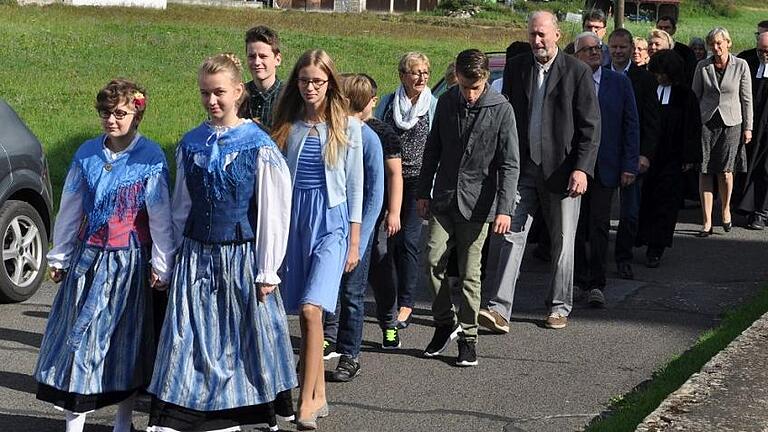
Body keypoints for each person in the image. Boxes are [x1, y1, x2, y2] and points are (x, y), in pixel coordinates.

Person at [147, 53, 296, 432]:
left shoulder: (257, 145)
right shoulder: (191, 143)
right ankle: (183, 415)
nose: (212, 101)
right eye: (205, 94)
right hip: (196, 257)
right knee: (188, 337)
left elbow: (273, 211)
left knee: (238, 340)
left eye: (219, 93)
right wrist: (166, 260)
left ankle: (233, 416)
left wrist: (267, 269)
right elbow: (180, 207)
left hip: (239, 259)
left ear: (237, 92)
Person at [34, 79, 174, 432]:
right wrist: (60, 255)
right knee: (79, 340)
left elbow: (159, 217)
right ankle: (75, 422)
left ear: (137, 114)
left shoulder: (151, 158)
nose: (112, 120)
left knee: (123, 341)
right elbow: (70, 207)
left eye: (120, 113)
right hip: (89, 260)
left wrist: (162, 264)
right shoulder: (87, 154)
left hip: (127, 263)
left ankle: (123, 421)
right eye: (106, 113)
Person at [478, 11, 600, 333]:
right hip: (524, 169)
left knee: (563, 241)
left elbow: (591, 126)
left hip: (563, 172)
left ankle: (559, 306)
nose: (537, 41)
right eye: (533, 34)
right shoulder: (518, 68)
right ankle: (499, 309)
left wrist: (582, 169)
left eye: (543, 34)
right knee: (510, 235)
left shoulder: (577, 72)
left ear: (558, 35)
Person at [272, 49, 363, 430]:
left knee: (313, 310)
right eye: (305, 81)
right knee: (305, 315)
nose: (311, 88)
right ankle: (320, 394)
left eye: (319, 81)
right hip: (294, 224)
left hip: (332, 223)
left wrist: (354, 241)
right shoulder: (287, 126)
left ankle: (305, 402)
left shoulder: (348, 126)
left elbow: (356, 187)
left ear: (330, 83)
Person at [418, 49, 519, 366]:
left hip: (479, 205)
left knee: (470, 274)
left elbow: (510, 164)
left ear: (486, 79)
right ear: (457, 78)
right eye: (465, 87)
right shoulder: (447, 101)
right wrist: (423, 191)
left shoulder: (501, 109)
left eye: (475, 88)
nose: (470, 94)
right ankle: (444, 320)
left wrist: (504, 208)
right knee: (432, 259)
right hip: (445, 198)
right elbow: (433, 148)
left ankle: (469, 337)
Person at [321, 74, 388, 382]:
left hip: (356, 231)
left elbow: (374, 195)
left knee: (352, 294)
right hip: (329, 228)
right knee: (326, 290)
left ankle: (350, 355)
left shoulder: (369, 139)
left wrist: (359, 243)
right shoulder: (329, 132)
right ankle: (322, 342)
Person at [372, 52, 437, 335]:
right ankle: (388, 296)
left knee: (409, 240)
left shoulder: (432, 105)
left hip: (418, 182)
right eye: (415, 72)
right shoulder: (388, 103)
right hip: (387, 179)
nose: (421, 77)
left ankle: (407, 303)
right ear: (402, 76)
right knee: (387, 242)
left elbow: (438, 146)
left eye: (425, 72)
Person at [573, 32, 639, 307]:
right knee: (574, 226)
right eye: (587, 50)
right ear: (576, 56)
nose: (594, 53)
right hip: (575, 167)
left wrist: (629, 164)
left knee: (599, 224)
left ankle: (597, 283)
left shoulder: (619, 82)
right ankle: (577, 279)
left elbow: (631, 124)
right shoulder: (570, 81)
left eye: (597, 48)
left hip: (606, 166)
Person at [637, 50, 702, 266]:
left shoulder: (685, 95)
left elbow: (692, 128)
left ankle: (657, 247)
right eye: (657, 73)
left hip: (673, 157)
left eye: (664, 73)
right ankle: (642, 236)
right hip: (648, 154)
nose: (660, 77)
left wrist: (689, 157)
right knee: (645, 199)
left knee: (666, 203)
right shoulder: (649, 90)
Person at [608, 28, 661, 280]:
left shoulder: (645, 79)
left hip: (633, 154)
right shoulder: (599, 73)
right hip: (605, 154)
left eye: (622, 47)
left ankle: (623, 257)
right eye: (614, 47)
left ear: (631, 48)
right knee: (598, 213)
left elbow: (652, 122)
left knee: (629, 213)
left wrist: (645, 155)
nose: (618, 52)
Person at [692, 27, 753, 236]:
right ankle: (707, 221)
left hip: (732, 123)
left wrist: (748, 127)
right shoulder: (702, 66)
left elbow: (747, 99)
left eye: (720, 43)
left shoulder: (741, 65)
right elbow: (695, 97)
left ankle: (725, 209)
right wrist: (692, 126)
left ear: (728, 43)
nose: (716, 48)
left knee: (726, 171)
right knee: (705, 170)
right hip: (706, 123)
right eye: (712, 44)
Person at [735, 32, 768, 230]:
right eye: (760, 51)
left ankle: (760, 213)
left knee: (765, 170)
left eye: (767, 51)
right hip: (753, 128)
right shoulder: (750, 65)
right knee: (751, 168)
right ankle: (749, 208)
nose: (764, 55)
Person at [239, 25, 283, 130]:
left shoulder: (289, 96)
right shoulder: (237, 96)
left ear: (277, 59)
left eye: (263, 56)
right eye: (251, 56)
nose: (257, 62)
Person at [656, 15, 698, 85]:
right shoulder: (652, 49)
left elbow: (690, 76)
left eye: (667, 28)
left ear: (674, 30)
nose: (663, 30)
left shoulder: (686, 51)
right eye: (660, 28)